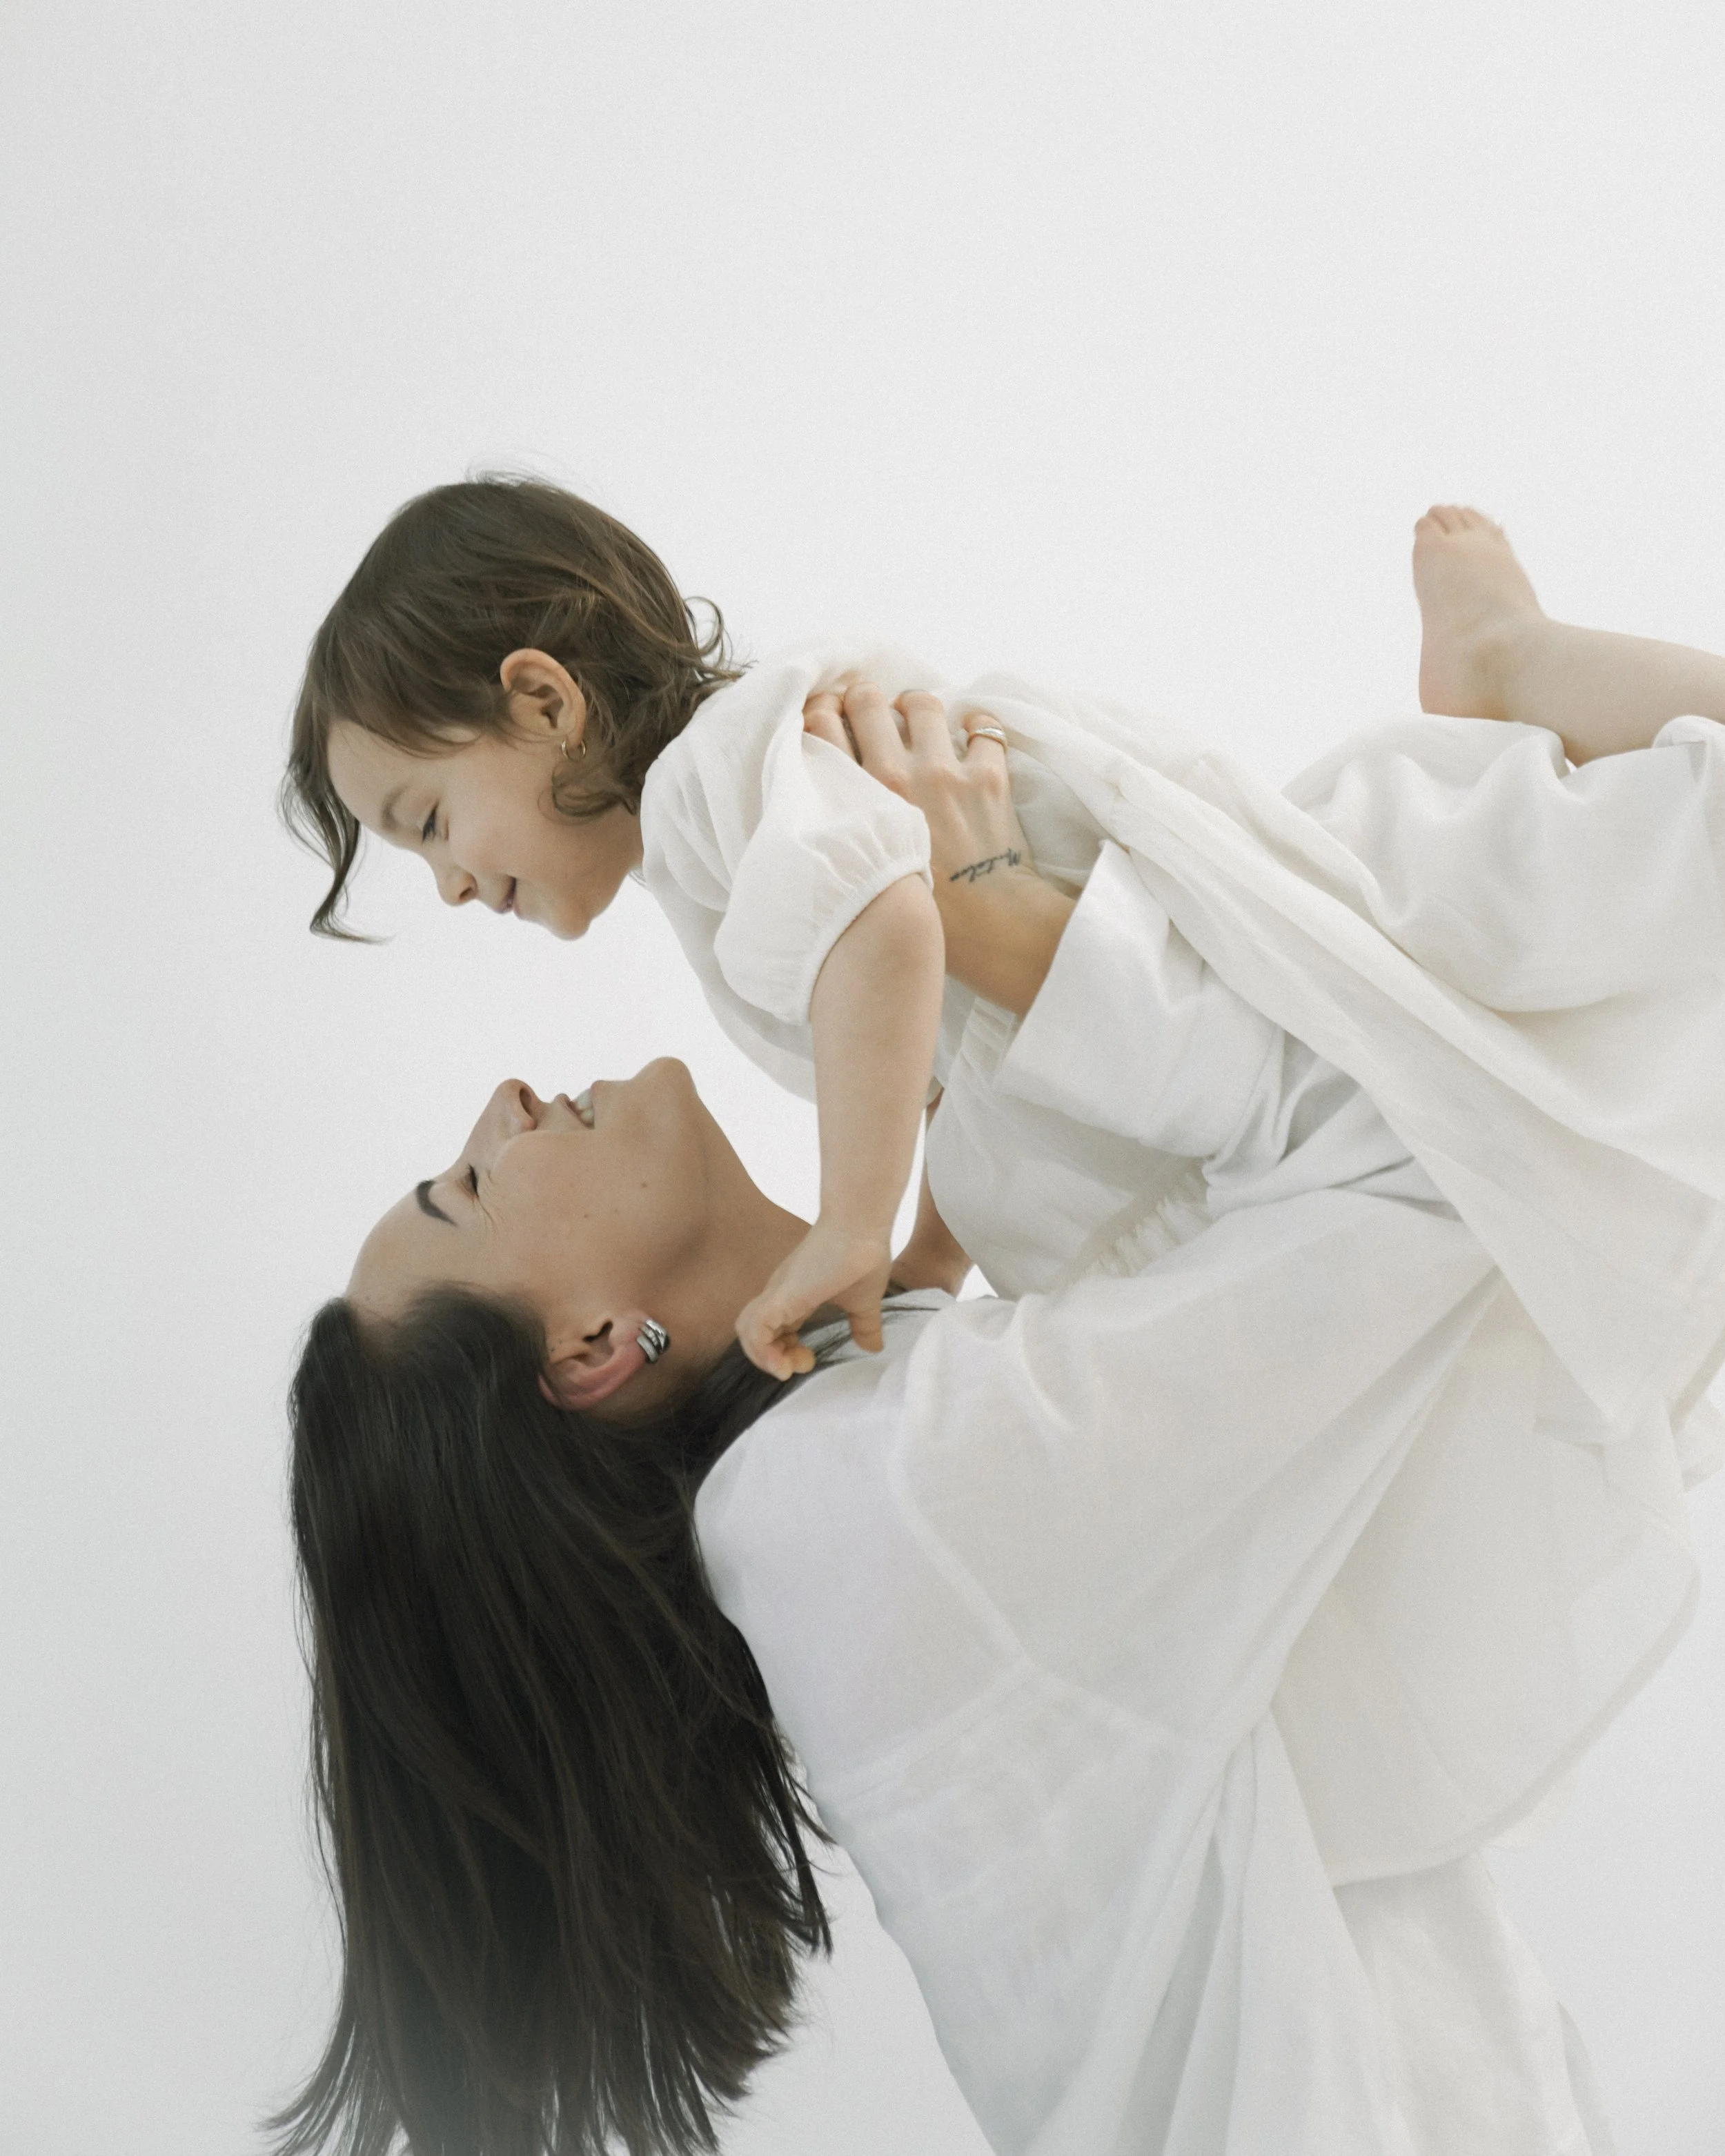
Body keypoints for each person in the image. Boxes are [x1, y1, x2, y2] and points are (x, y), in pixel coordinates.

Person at [285, 486, 1725, 1385]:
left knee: (1624, 858)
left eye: (425, 821)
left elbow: (895, 927)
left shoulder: (725, 783)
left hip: (1217, 928)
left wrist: (855, 1222)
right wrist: (924, 1247)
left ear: (541, 702)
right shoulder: (702, 858)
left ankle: (1509, 661)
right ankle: (1507, 694)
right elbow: (940, 1056)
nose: (452, 887)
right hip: (1173, 996)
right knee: (1558, 925)